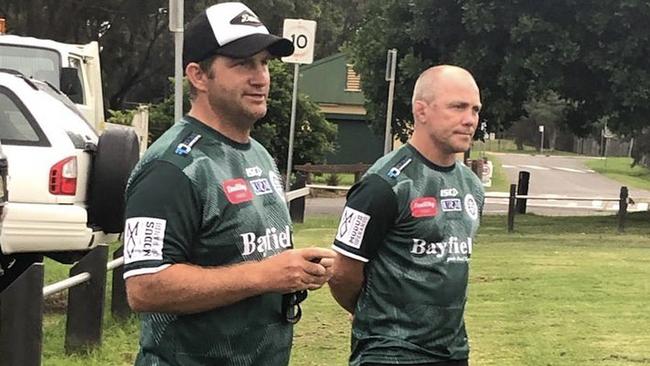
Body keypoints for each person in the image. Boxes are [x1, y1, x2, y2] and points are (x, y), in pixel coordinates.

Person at [122, 3, 335, 365]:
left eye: (264, 62)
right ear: (198, 76)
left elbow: (254, 258)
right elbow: (144, 288)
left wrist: (297, 269)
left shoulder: (260, 155)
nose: (261, 77)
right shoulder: (171, 167)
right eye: (242, 63)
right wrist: (266, 276)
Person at [329, 65, 484, 366]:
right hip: (390, 352)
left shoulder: (472, 187)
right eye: (458, 107)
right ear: (421, 110)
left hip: (452, 353)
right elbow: (342, 274)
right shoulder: (382, 185)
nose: (470, 120)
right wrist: (372, 314)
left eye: (475, 110)